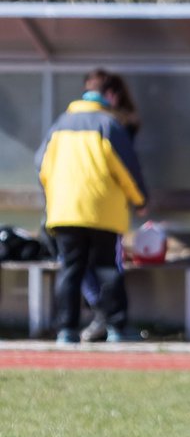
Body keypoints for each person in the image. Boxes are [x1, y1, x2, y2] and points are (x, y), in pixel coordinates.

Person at [36, 73, 148, 344]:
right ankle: (117, 327)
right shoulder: (108, 124)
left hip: (64, 212)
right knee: (108, 268)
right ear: (108, 97)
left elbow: (41, 165)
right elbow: (125, 169)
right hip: (101, 211)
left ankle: (66, 331)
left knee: (70, 270)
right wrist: (140, 200)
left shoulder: (60, 124)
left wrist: (55, 198)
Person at [78, 69, 141, 342]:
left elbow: (123, 168)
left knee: (103, 266)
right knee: (84, 267)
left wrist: (140, 199)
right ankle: (103, 317)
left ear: (112, 95)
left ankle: (112, 323)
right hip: (84, 206)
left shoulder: (113, 126)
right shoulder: (84, 121)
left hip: (101, 206)